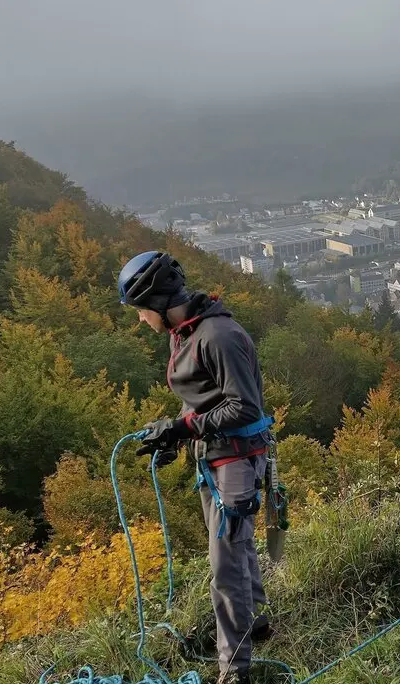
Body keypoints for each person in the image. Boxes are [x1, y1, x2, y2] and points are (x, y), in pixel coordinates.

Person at [118, 250, 271, 684]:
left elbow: (244, 406)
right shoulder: (183, 333)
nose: (140, 320)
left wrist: (183, 428)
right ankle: (254, 620)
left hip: (238, 456)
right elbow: (201, 398)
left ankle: (235, 669)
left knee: (225, 562)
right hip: (214, 453)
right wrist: (175, 437)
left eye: (142, 311)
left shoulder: (218, 336)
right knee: (235, 548)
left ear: (161, 304)